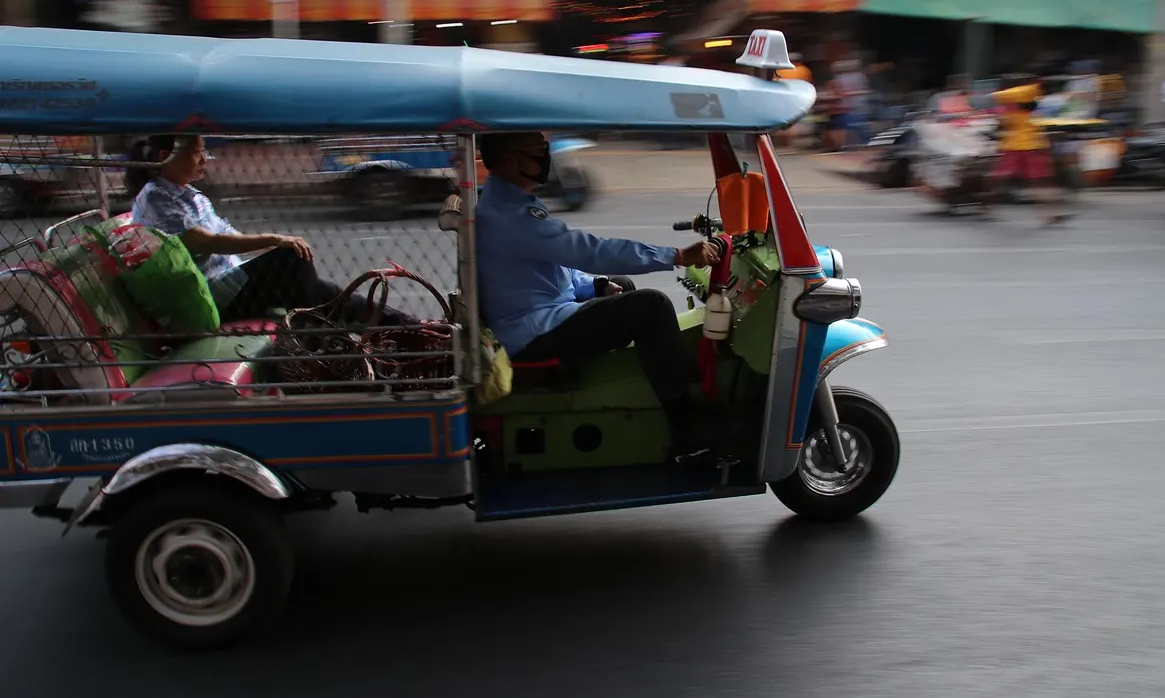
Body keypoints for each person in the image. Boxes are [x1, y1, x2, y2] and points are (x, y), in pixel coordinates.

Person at [474, 132, 726, 461]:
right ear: (511, 161)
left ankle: (644, 390)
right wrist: (676, 255)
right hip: (533, 332)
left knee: (620, 285)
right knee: (652, 306)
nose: (546, 158)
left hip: (535, 314)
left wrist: (596, 285)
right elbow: (588, 251)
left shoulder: (504, 203)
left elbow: (550, 268)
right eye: (539, 152)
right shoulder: (513, 217)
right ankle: (689, 429)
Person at [127, 134, 419, 326]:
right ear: (165, 156)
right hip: (211, 297)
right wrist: (276, 241)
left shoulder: (193, 196)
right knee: (293, 262)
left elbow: (231, 238)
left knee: (322, 290)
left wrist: (269, 248)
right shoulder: (156, 197)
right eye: (196, 153)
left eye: (205, 153)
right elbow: (203, 241)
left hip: (231, 283)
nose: (205, 160)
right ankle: (321, 339)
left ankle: (405, 326)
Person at [986, 75, 1070, 225]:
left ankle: (1050, 214)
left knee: (1006, 180)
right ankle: (1050, 214)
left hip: (1023, 146)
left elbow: (1003, 119)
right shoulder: (1018, 100)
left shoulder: (1013, 104)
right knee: (1037, 182)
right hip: (1021, 147)